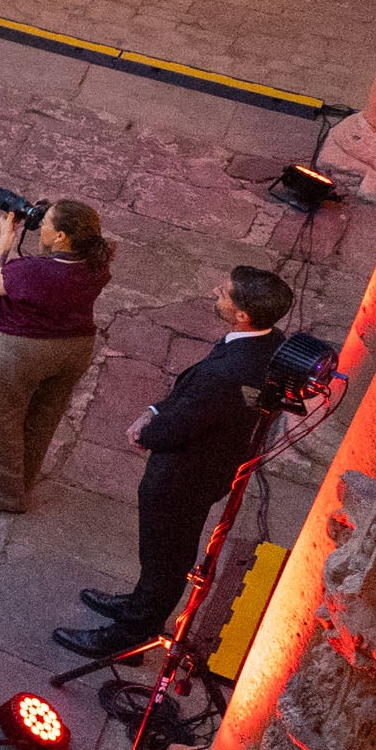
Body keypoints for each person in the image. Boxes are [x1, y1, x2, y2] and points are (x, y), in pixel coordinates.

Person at [64, 265, 298, 658]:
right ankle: (139, 604)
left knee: (164, 559)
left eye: (223, 293)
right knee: (160, 556)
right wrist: (156, 408)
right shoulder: (262, 341)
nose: (215, 292)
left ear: (242, 315)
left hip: (183, 478)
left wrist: (147, 432)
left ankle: (130, 637)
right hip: (203, 465)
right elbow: (196, 396)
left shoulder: (228, 373)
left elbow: (187, 418)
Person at [0, 196, 118, 515]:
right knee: (42, 418)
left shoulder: (32, 271)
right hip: (75, 348)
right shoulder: (96, 264)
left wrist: (6, 238)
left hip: (24, 348)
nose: (40, 228)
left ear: (62, 237)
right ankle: (22, 480)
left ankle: (0, 495)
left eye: (46, 224)